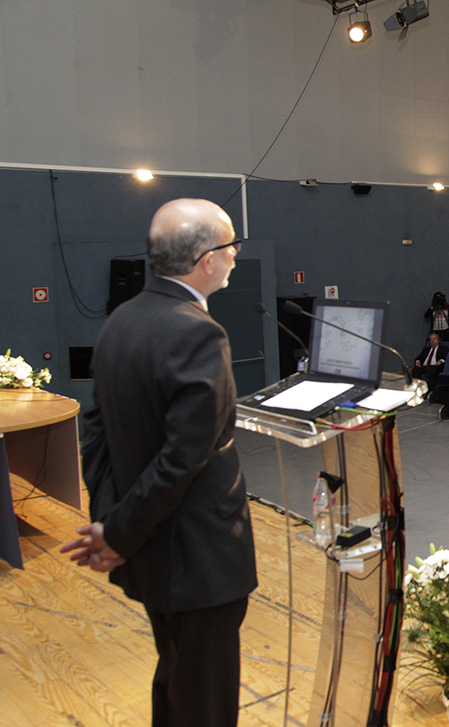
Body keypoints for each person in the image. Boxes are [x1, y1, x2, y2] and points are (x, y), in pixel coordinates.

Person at [63, 198, 256, 727]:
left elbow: (95, 434)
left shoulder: (120, 321)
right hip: (199, 558)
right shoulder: (198, 332)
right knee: (205, 702)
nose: (236, 254)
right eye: (231, 245)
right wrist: (117, 534)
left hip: (154, 554)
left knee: (175, 682)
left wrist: (111, 525)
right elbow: (182, 459)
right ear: (206, 259)